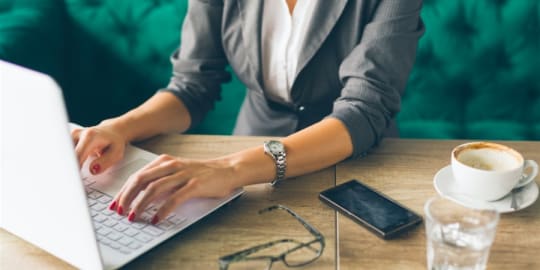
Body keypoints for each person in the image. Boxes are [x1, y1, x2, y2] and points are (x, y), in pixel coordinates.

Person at [72, 0, 424, 225]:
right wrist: (118, 128)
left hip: (353, 161)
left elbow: (365, 108)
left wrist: (229, 168)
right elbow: (192, 85)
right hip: (253, 150)